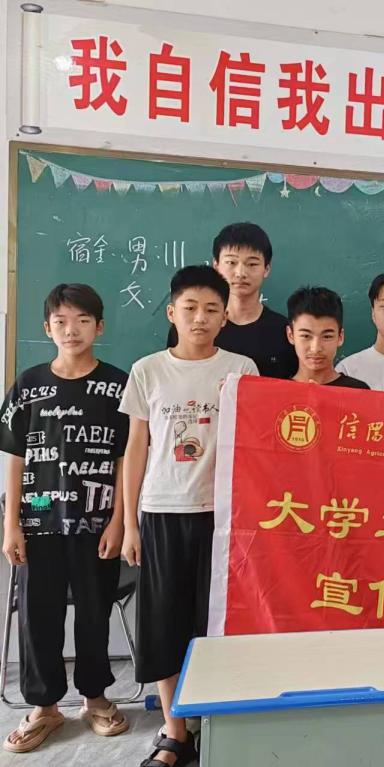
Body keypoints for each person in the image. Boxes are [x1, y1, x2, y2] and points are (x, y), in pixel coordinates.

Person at [121, 266, 258, 767]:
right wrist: (130, 523)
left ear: (225, 318)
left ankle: (215, 725)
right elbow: (136, 448)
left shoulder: (241, 368)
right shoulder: (147, 370)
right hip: (161, 511)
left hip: (222, 516)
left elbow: (255, 445)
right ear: (171, 312)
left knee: (216, 624)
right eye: (190, 308)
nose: (200, 318)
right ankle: (175, 732)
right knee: (163, 622)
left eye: (211, 309)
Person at [0, 284, 130, 753]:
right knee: (39, 616)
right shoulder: (28, 385)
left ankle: (95, 698)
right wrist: (11, 523)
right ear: (47, 328)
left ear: (100, 326)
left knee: (94, 612)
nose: (71, 330)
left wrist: (118, 520)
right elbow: (15, 456)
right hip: (38, 523)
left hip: (96, 523)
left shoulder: (118, 386)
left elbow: (126, 459)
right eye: (61, 322)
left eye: (82, 320)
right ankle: (44, 707)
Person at [166, 222, 296, 379]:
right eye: (231, 262)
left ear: (266, 269)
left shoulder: (283, 331)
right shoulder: (191, 327)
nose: (240, 273)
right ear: (216, 265)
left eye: (252, 264)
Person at [286, 286, 369, 389]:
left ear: (340, 337)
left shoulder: (358, 391)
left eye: (327, 336)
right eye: (306, 336)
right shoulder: (279, 392)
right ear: (291, 335)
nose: (316, 348)